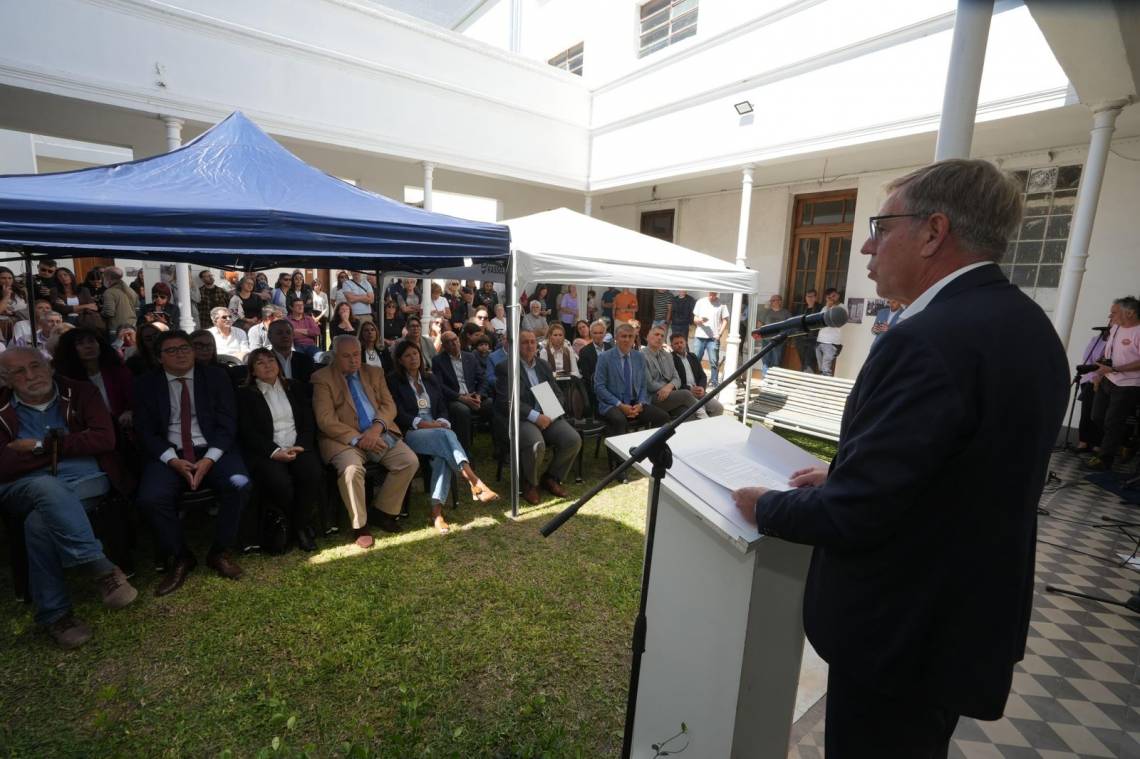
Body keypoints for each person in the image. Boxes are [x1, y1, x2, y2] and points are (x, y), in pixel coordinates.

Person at [730, 159, 1069, 757]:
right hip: (959, 622)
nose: (865, 245)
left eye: (882, 227)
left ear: (934, 232)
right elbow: (965, 465)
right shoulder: (1029, 325)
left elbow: (857, 517)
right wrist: (848, 472)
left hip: (899, 630)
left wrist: (771, 508)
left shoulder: (925, 339)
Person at [0, 348, 138, 648]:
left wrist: (37, 446)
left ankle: (56, 616)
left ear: (49, 367)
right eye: (18, 372)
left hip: (86, 481)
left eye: (35, 366)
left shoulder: (81, 392)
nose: (30, 375)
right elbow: (3, 464)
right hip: (22, 488)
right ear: (6, 381)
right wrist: (69, 446)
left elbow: (104, 439)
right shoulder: (1, 407)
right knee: (47, 488)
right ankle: (100, 568)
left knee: (39, 522)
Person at [134, 331, 251, 596]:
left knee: (240, 485)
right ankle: (181, 556)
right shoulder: (145, 384)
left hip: (212, 448)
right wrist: (172, 460)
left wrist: (209, 459)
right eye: (172, 350)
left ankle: (219, 551)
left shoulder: (215, 376)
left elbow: (227, 422)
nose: (181, 354)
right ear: (159, 357)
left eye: (185, 348)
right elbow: (145, 431)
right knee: (151, 498)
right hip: (169, 453)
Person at [311, 335, 419, 548]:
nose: (353, 360)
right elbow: (325, 420)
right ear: (334, 356)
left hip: (377, 433)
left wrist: (375, 429)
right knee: (352, 470)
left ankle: (383, 511)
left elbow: (389, 406)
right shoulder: (322, 378)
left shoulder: (374, 373)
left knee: (409, 461)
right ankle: (360, 524)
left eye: (356, 355)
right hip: (342, 439)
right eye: (346, 356)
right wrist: (359, 438)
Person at [389, 341, 499, 532]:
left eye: (415, 353)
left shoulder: (430, 379)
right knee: (444, 435)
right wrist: (426, 424)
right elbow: (398, 413)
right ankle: (474, 481)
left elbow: (441, 407)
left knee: (442, 456)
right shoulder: (393, 381)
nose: (413, 358)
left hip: (437, 428)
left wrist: (441, 421)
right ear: (400, 360)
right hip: (413, 431)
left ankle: (437, 512)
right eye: (407, 355)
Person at [237, 348, 322, 552]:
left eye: (271, 360)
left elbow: (308, 421)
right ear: (253, 371)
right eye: (260, 363)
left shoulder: (295, 387)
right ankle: (291, 526)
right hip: (267, 451)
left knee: (312, 474)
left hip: (298, 446)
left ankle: (299, 526)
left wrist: (301, 445)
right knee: (280, 483)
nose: (267, 365)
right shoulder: (244, 394)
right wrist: (275, 452)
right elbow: (247, 432)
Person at [493, 330, 581, 505]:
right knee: (536, 444)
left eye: (533, 342)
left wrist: (551, 411)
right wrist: (536, 417)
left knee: (573, 439)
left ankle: (551, 478)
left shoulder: (543, 365)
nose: (530, 345)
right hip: (521, 418)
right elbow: (507, 402)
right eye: (525, 342)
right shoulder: (506, 367)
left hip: (547, 412)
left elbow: (557, 392)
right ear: (516, 346)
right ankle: (530, 483)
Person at [1087, 296, 1140, 471]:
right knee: (1097, 416)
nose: (1110, 316)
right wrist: (1099, 373)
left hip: (1128, 384)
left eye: (1114, 312)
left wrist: (1117, 368)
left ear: (1130, 313)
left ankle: (1104, 459)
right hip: (1108, 379)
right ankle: (1126, 441)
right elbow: (1108, 352)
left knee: (1113, 421)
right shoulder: (1115, 328)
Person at [594, 323, 670, 437]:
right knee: (619, 421)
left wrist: (641, 403)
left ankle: (649, 447)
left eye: (630, 336)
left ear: (634, 338)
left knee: (662, 417)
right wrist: (620, 405)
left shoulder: (639, 357)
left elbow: (643, 385)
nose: (627, 339)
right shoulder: (604, 358)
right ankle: (618, 453)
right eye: (623, 336)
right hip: (612, 404)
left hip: (635, 403)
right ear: (616, 338)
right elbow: (599, 387)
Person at [52, 328, 135, 432]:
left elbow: (134, 398)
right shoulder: (66, 381)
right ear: (70, 349)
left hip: (123, 429)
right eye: (80, 343)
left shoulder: (118, 371)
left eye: (91, 341)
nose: (88, 346)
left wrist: (129, 411)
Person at [431, 330, 485, 452]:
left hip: (473, 395)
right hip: (454, 398)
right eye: (449, 342)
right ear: (444, 346)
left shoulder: (470, 357)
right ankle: (465, 451)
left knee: (493, 405)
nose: (454, 343)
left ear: (459, 340)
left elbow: (482, 379)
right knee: (462, 411)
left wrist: (479, 395)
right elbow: (440, 385)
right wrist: (461, 398)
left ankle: (501, 449)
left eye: (455, 339)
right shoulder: (438, 361)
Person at [641, 325, 698, 419]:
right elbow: (649, 384)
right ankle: (704, 416)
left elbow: (677, 378)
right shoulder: (641, 356)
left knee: (686, 412)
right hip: (653, 396)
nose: (659, 337)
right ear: (648, 337)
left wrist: (669, 387)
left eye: (662, 336)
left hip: (669, 394)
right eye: (656, 334)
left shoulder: (667, 355)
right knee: (686, 394)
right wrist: (667, 389)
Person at [670, 332, 723, 417]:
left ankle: (711, 428)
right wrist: (690, 389)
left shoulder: (692, 356)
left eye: (681, 342)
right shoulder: (670, 359)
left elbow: (702, 376)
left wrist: (702, 387)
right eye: (676, 343)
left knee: (718, 408)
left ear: (685, 343)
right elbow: (673, 381)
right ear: (671, 346)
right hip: (685, 393)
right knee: (701, 411)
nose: (679, 345)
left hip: (699, 391)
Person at [1076, 320, 1110, 452]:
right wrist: (1093, 376)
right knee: (1086, 412)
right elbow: (1087, 359)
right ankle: (1083, 442)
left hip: (1107, 381)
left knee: (1100, 413)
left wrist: (1100, 378)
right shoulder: (1096, 339)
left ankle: (1097, 444)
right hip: (1090, 379)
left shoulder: (1120, 342)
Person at [693, 291, 728, 386]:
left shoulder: (722, 304)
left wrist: (720, 334)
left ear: (717, 293)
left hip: (713, 338)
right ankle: (694, 381)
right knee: (696, 360)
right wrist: (699, 320)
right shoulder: (700, 302)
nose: (712, 296)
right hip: (700, 336)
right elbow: (695, 319)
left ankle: (714, 382)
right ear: (708, 292)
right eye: (710, 294)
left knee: (714, 361)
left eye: (714, 294)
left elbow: (725, 320)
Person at [267, 319, 316, 384]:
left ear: (293, 335)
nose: (285, 336)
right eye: (279, 333)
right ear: (269, 337)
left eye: (288, 332)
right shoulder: (265, 362)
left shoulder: (305, 360)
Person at [577, 319, 610, 406]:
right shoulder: (584, 351)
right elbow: (587, 376)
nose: (598, 336)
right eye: (595, 333)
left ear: (605, 334)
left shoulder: (610, 348)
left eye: (600, 333)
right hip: (595, 387)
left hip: (612, 385)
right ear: (591, 334)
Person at [100, 267, 139, 337]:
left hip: (117, 330)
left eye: (103, 277)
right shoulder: (130, 290)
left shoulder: (109, 292)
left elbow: (109, 312)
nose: (102, 280)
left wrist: (100, 312)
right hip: (132, 327)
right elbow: (137, 308)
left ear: (108, 278)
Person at [758, 294, 792, 373]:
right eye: (771, 300)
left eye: (773, 300)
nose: (771, 302)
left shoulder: (786, 313)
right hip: (766, 341)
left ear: (779, 301)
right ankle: (765, 381)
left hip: (779, 342)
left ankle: (774, 382)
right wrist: (762, 333)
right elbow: (759, 324)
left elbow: (791, 326)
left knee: (776, 362)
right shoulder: (766, 312)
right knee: (765, 361)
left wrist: (785, 336)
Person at [792, 289, 823, 373]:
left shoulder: (820, 308)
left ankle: (808, 380)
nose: (809, 298)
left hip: (813, 339)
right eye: (807, 296)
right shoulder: (801, 308)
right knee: (803, 361)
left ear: (815, 297)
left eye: (811, 296)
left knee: (810, 362)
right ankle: (803, 379)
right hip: (801, 339)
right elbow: (795, 321)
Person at [815, 288, 844, 376]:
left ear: (838, 296)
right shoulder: (825, 307)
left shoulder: (841, 308)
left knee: (826, 369)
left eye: (833, 296)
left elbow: (831, 321)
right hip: (820, 340)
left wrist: (829, 308)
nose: (831, 299)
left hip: (832, 342)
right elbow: (820, 320)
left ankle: (825, 387)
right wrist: (828, 307)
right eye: (829, 297)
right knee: (821, 368)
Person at [310, 279, 330, 350]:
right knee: (314, 334)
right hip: (313, 315)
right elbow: (309, 306)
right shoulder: (311, 294)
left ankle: (323, 350)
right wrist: (313, 317)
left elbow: (326, 306)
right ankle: (314, 349)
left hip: (322, 315)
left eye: (318, 284)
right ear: (313, 286)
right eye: (315, 285)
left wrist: (319, 317)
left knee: (322, 335)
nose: (317, 286)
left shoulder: (324, 294)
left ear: (321, 285)